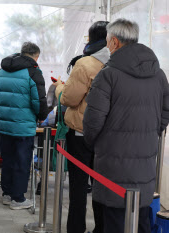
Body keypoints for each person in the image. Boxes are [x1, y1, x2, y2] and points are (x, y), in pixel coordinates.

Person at [83, 18, 169, 233]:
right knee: (140, 215)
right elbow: (166, 111)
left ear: (113, 42)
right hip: (146, 156)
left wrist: (96, 143)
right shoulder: (158, 73)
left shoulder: (108, 74)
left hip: (112, 159)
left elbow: (93, 120)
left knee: (114, 218)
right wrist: (151, 134)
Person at [53, 21, 109, 233]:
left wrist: (59, 87)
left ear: (91, 38)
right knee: (102, 186)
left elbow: (69, 99)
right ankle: (102, 228)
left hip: (80, 133)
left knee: (78, 186)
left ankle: (76, 229)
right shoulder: (118, 64)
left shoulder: (85, 64)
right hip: (107, 136)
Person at [0, 42, 48, 210]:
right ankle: (18, 198)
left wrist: (2, 113)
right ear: (36, 56)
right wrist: (41, 117)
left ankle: (7, 194)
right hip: (23, 125)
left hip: (5, 124)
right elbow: (39, 101)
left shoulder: (1, 70)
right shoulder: (33, 72)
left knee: (8, 159)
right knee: (22, 161)